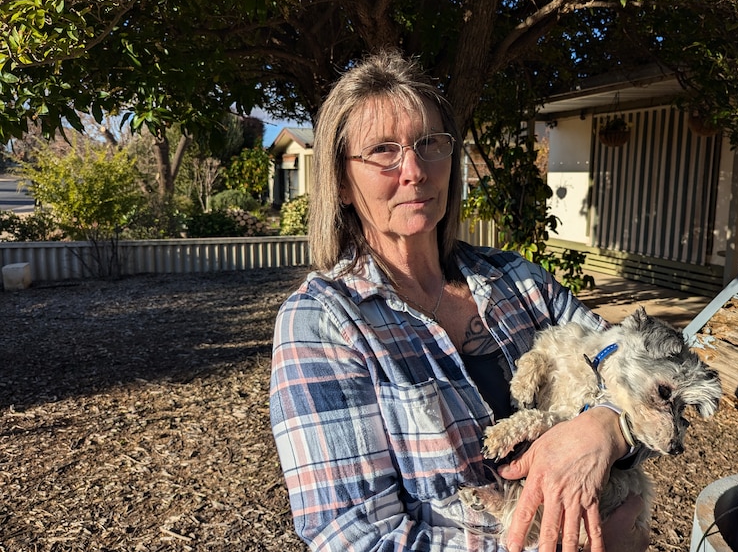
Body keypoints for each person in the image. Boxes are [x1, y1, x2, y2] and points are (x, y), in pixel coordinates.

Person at [270, 49, 650, 552]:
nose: (414, 170)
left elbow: (647, 373)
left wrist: (605, 428)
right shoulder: (324, 322)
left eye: (430, 144)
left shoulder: (520, 282)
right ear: (340, 180)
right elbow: (353, 535)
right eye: (383, 150)